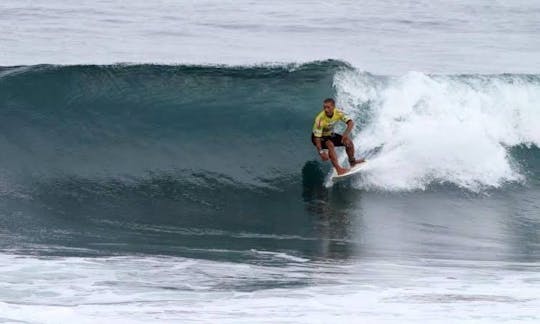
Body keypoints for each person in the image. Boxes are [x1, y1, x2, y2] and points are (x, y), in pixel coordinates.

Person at [311, 98, 364, 175]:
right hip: (317, 138)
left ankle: (352, 162)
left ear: (333, 107)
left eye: (328, 107)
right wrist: (321, 152)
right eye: (324, 107)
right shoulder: (320, 119)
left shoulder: (338, 113)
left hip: (329, 134)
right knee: (330, 144)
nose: (326, 109)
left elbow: (350, 123)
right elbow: (317, 138)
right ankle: (339, 170)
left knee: (348, 142)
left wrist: (345, 135)